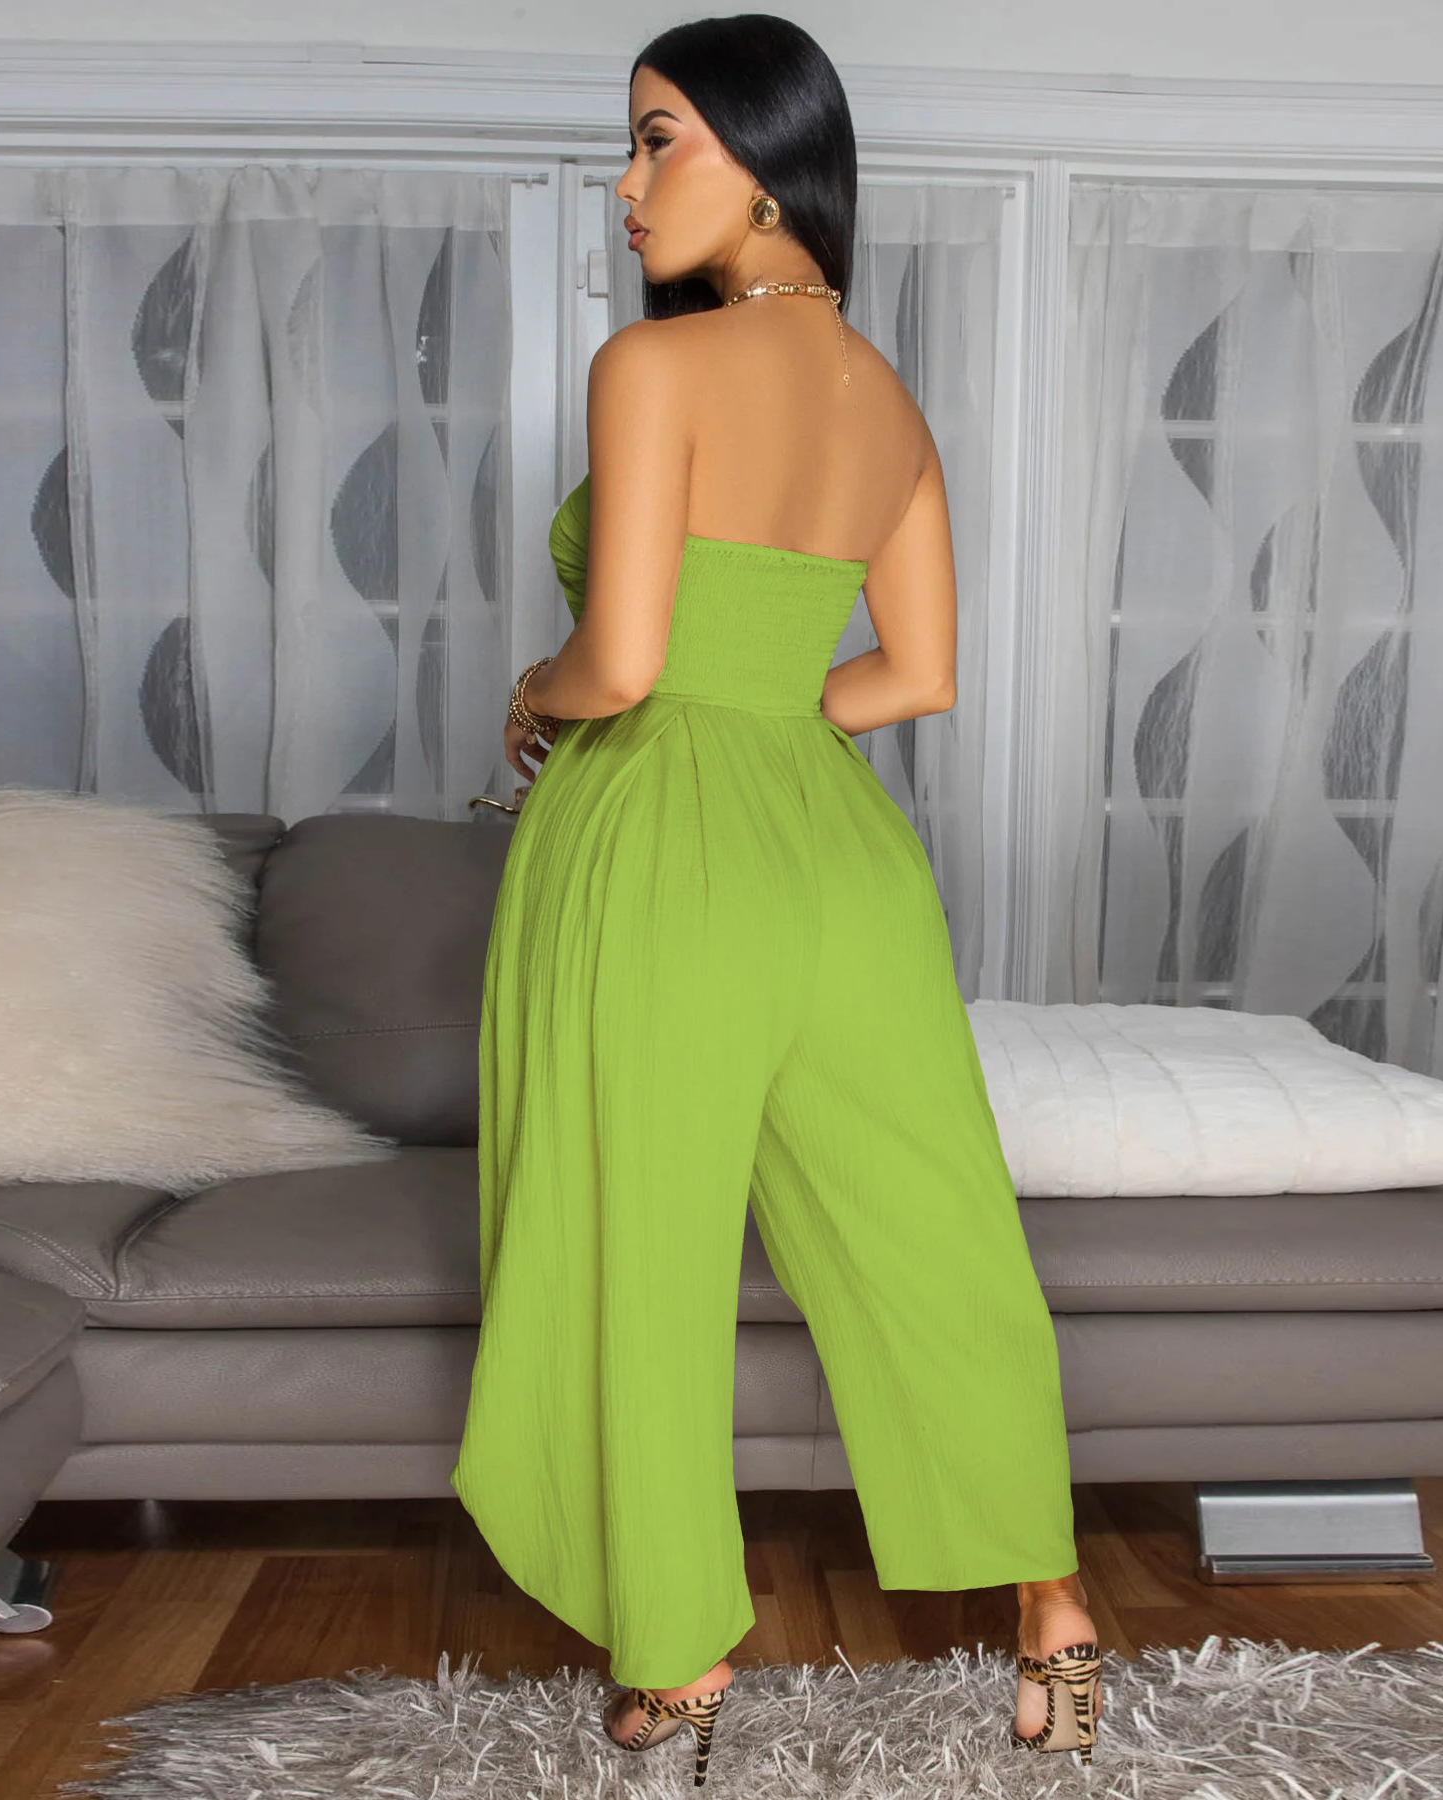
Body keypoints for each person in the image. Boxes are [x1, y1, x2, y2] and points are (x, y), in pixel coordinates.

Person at [447, 13, 1101, 1782]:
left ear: (763, 160)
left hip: (658, 840)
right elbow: (918, 675)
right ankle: (1055, 1614)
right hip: (842, 856)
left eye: (658, 137)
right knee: (933, 1231)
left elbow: (621, 660)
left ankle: (680, 1652)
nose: (625, 180)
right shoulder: (890, 403)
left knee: (635, 1245)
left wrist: (530, 695)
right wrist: (767, 712)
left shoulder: (651, 369)